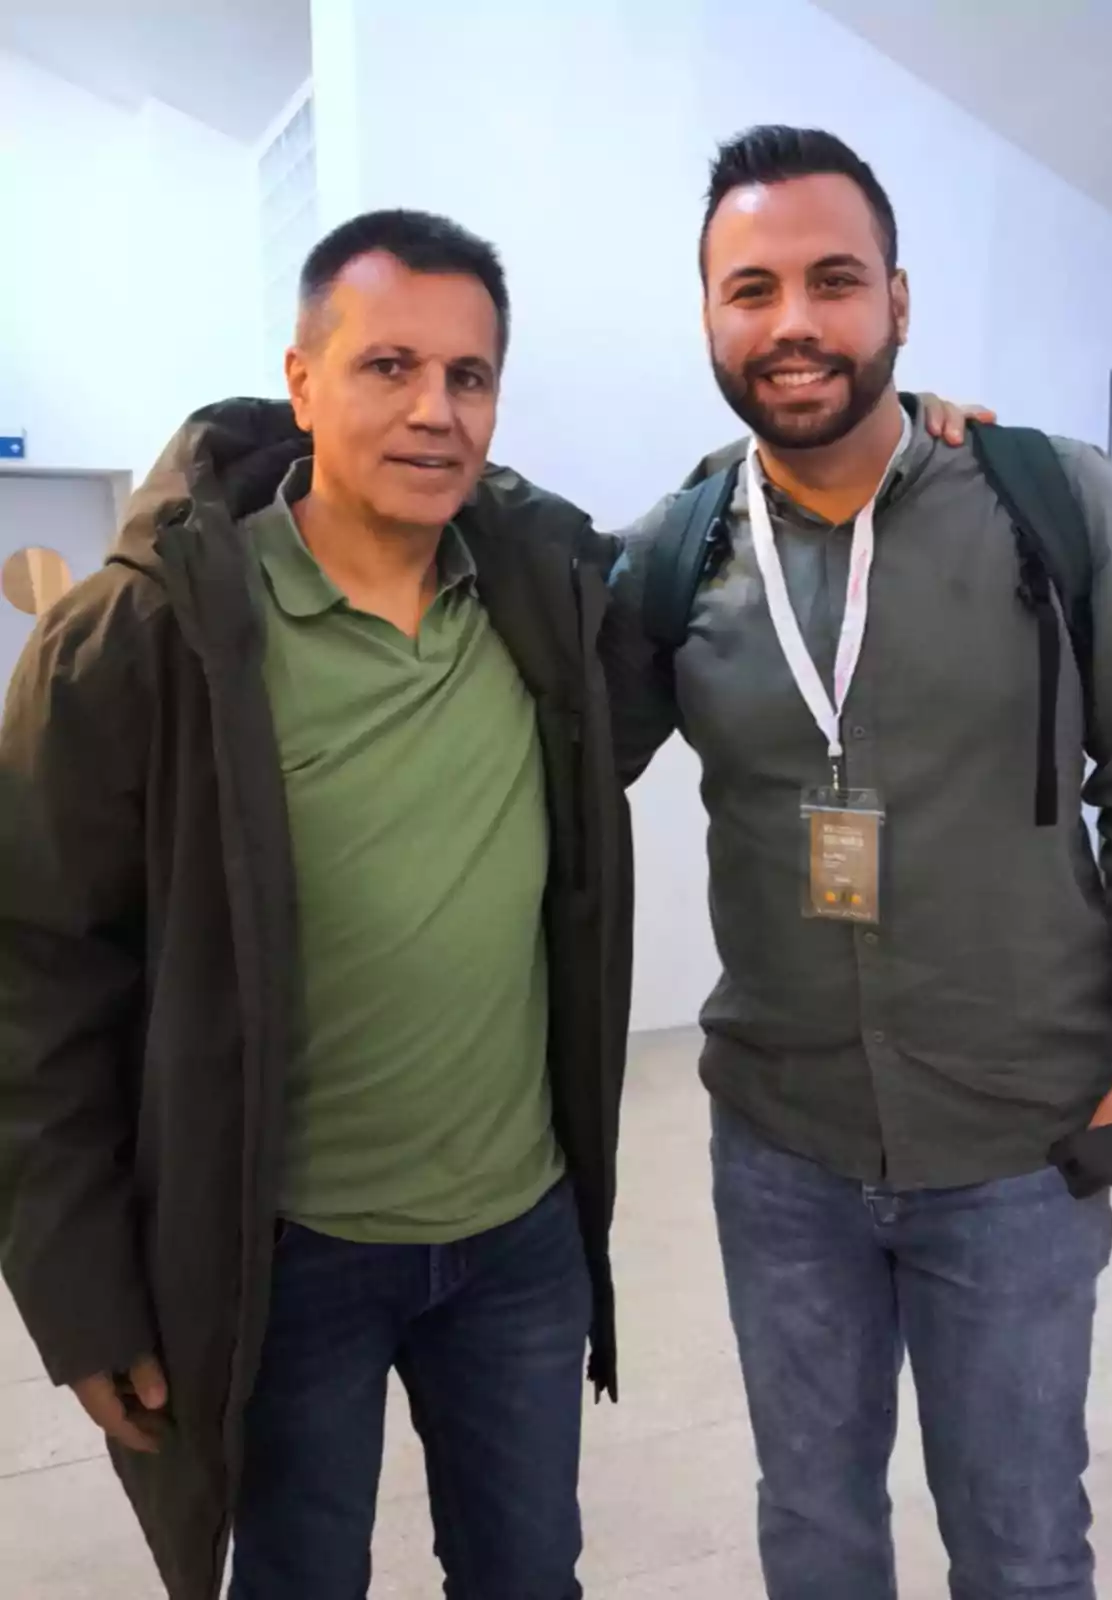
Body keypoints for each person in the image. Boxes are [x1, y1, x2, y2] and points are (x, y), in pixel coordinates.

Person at [0, 208, 636, 1600]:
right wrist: (80, 1284)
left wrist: (895, 434)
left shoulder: (538, 597)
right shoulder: (153, 637)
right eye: (388, 366)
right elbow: (39, 975)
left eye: (467, 377)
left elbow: (733, 555)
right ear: (301, 383)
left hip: (519, 1239)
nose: (434, 411)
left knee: (530, 1577)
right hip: (286, 1259)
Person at [603, 125, 1112, 1600]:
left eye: (833, 280)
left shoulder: (1048, 504)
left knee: (1019, 1543)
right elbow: (542, 752)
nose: (794, 322)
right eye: (752, 288)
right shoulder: (679, 556)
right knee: (812, 1531)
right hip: (780, 1146)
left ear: (899, 302)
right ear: (708, 318)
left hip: (1018, 1145)